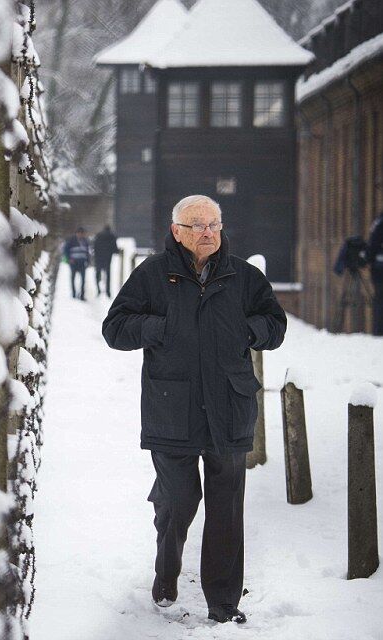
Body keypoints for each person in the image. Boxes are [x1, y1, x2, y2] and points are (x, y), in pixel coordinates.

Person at [101, 195, 286, 625]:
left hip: (229, 406)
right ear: (177, 231)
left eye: (214, 224)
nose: (207, 232)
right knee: (180, 498)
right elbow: (114, 328)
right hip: (172, 409)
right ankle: (166, 571)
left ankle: (223, 602)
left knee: (226, 508)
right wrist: (160, 328)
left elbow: (275, 325)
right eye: (197, 224)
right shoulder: (152, 274)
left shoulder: (244, 276)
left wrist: (247, 330)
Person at [64, 227, 90, 300]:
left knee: (83, 279)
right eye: (79, 233)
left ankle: (82, 295)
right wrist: (69, 259)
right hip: (73, 262)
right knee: (73, 278)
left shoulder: (85, 241)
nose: (81, 235)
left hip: (82, 263)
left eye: (82, 233)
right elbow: (66, 250)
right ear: (76, 233)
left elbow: (87, 252)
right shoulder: (71, 240)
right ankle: (74, 294)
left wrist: (88, 261)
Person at [93, 224, 119, 298]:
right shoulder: (112, 236)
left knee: (97, 274)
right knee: (108, 275)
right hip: (108, 258)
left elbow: (94, 246)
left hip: (98, 258)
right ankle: (108, 291)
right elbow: (115, 248)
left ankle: (98, 290)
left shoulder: (98, 235)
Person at [368, 210, 383, 336]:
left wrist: (368, 258)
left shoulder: (378, 223)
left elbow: (372, 245)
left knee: (379, 300)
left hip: (379, 269)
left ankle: (378, 330)